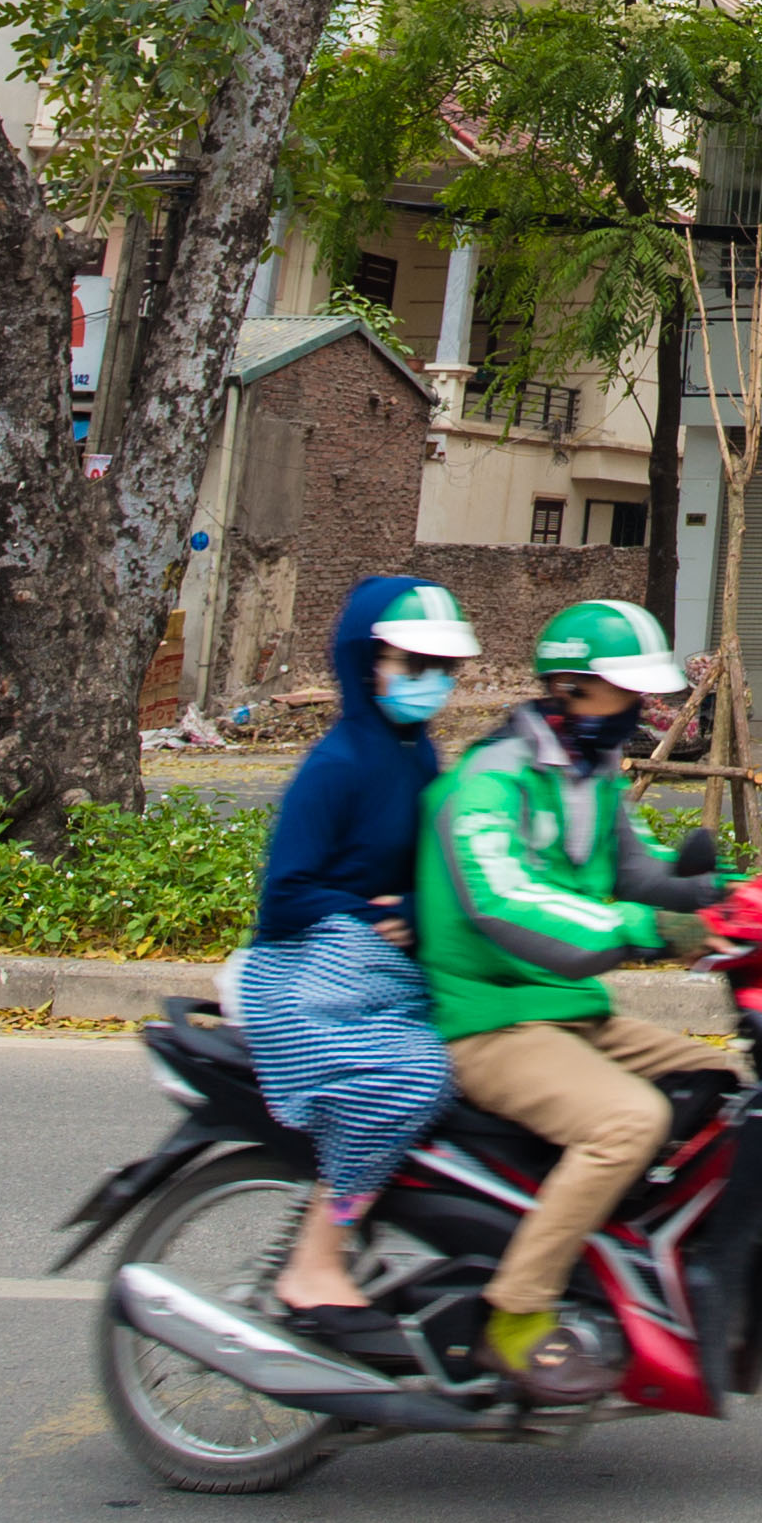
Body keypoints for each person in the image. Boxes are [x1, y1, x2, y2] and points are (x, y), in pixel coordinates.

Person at [420, 599, 762, 1397]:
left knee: (715, 1090)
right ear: (571, 689)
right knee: (629, 1121)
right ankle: (518, 1311)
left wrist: (729, 893)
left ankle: (623, 1264)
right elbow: (507, 902)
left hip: (564, 1012)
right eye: (627, 693)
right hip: (489, 1015)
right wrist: (654, 928)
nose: (645, 710)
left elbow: (631, 870)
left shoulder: (590, 771)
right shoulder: (491, 781)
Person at [242, 577, 487, 1349]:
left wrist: (412, 914)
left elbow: (426, 877)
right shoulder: (339, 763)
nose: (431, 682)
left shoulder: (418, 757)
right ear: (366, 660)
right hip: (306, 978)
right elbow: (286, 893)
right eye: (413, 663)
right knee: (411, 1078)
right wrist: (364, 922)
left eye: (443, 669)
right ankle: (318, 1255)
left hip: (386, 970)